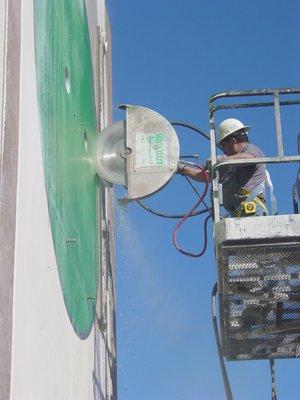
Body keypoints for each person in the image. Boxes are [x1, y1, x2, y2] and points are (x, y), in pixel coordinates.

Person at [177, 118, 268, 216]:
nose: (224, 151)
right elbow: (206, 176)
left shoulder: (251, 149)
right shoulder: (231, 165)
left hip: (251, 211)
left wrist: (221, 159)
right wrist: (182, 168)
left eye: (223, 145)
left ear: (233, 141)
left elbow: (249, 158)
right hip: (239, 213)